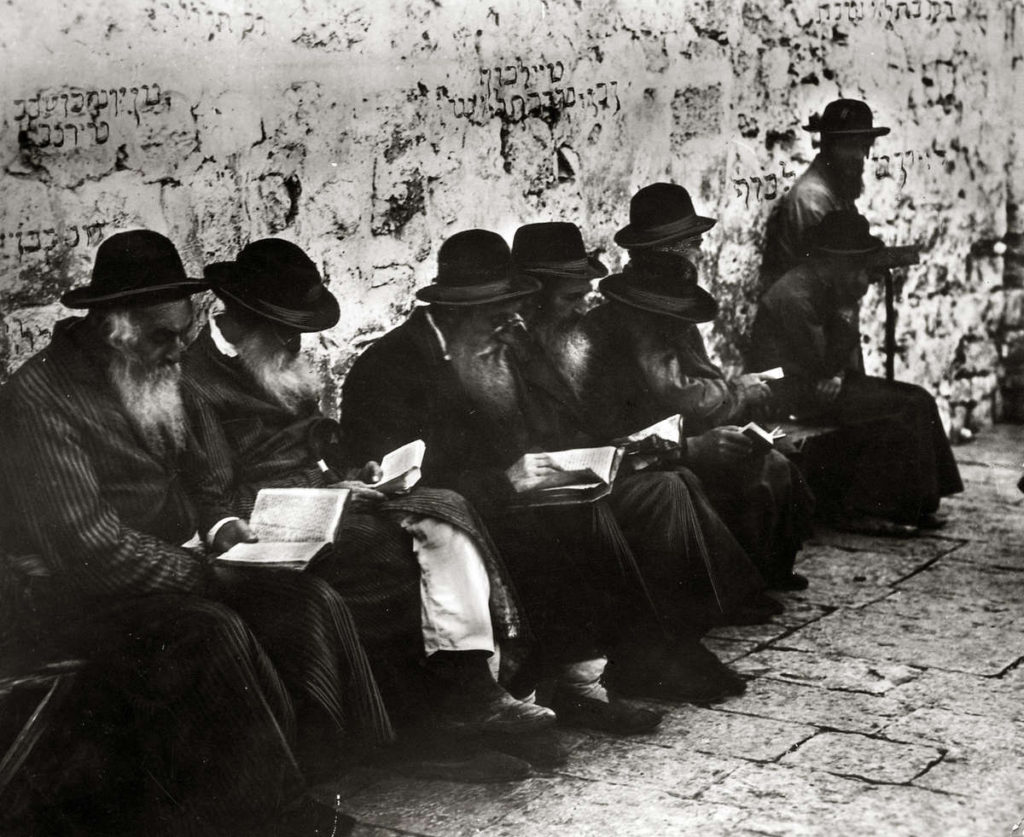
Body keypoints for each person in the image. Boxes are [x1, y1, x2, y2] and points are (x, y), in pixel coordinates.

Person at [0, 231, 385, 836]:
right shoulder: (38, 400)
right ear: (111, 326)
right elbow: (89, 548)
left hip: (182, 567)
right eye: (164, 336)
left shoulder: (159, 367)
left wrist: (225, 527)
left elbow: (210, 479)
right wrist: (203, 572)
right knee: (212, 630)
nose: (181, 350)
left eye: (185, 332)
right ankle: (275, 817)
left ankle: (315, 777)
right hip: (79, 597)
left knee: (306, 601)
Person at [342, 229, 764, 713]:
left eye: (511, 311)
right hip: (465, 508)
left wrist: (574, 461)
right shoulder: (391, 367)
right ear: (456, 312)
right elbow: (398, 481)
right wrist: (505, 482)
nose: (510, 324)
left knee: (614, 497)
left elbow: (544, 429)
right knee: (579, 519)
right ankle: (600, 672)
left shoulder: (494, 346)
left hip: (519, 494)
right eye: (497, 316)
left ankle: (636, 658)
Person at [180, 238, 558, 775]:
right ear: (242, 318)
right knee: (392, 554)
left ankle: (472, 684)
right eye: (285, 329)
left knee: (443, 507)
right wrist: (322, 494)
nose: (295, 342)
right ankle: (424, 726)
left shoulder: (270, 355)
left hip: (323, 499)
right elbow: (217, 496)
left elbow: (310, 448)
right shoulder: (195, 382)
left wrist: (351, 479)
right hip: (261, 524)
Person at [518, 217, 814, 590]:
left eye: (583, 298)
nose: (581, 312)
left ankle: (748, 582)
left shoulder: (573, 343)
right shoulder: (542, 350)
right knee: (675, 483)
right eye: (571, 299)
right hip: (573, 477)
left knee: (761, 462)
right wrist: (689, 447)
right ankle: (725, 594)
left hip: (619, 456)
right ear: (533, 299)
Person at [751, 210, 963, 533]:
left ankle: (918, 503)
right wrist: (848, 309)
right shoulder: (795, 296)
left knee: (918, 398)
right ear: (834, 260)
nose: (860, 271)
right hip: (787, 391)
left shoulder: (825, 284)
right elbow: (819, 359)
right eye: (855, 263)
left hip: (818, 380)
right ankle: (868, 508)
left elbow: (828, 365)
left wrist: (835, 376)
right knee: (901, 408)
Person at [761, 98, 890, 289]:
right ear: (828, 146)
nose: (858, 156)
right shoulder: (812, 199)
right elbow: (826, 277)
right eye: (849, 146)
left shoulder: (838, 186)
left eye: (864, 146)